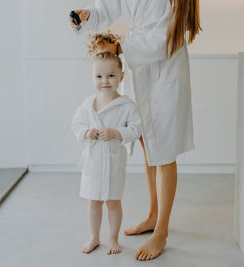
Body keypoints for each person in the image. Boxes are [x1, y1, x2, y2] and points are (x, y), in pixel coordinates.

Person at [69, 0, 201, 261]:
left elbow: (167, 37)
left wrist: (119, 47)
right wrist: (86, 17)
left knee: (164, 150)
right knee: (147, 142)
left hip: (165, 67)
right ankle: (153, 215)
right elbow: (107, 11)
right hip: (139, 69)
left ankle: (161, 230)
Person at [71, 34, 142, 255]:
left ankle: (112, 238)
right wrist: (86, 132)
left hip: (113, 161)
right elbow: (76, 124)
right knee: (94, 201)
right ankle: (94, 237)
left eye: (111, 75)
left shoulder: (126, 105)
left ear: (121, 77)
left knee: (113, 201)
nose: (105, 81)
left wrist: (116, 132)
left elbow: (136, 128)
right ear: (92, 77)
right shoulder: (88, 104)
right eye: (99, 76)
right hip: (93, 160)